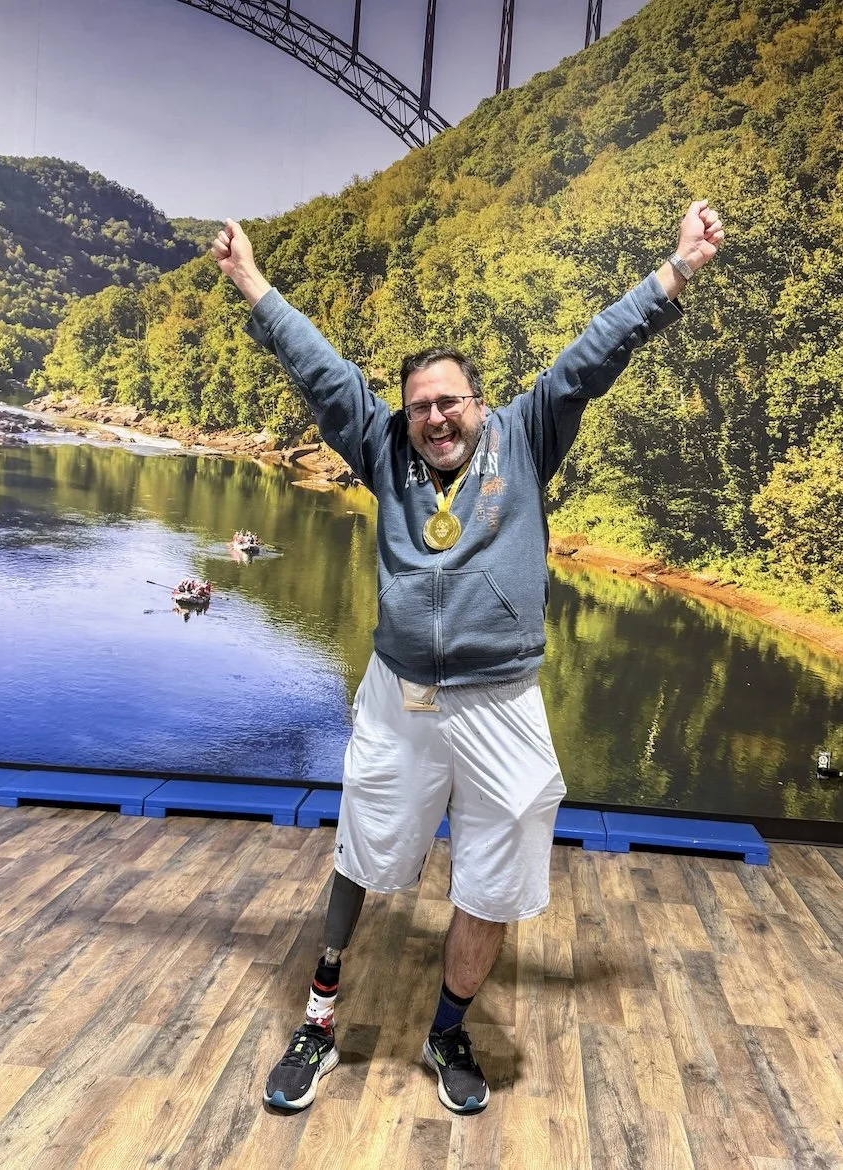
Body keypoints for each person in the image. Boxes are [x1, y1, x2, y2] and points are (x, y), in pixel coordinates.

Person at [212, 201, 724, 1114]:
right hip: (399, 693)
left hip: (502, 698)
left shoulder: (524, 438)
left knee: (495, 869)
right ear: (402, 417)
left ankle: (448, 1029)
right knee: (364, 843)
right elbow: (321, 373)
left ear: (478, 403)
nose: (434, 418)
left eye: (448, 401)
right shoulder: (381, 446)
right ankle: (321, 1018)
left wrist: (676, 269)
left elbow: (594, 352)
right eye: (418, 407)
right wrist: (251, 283)